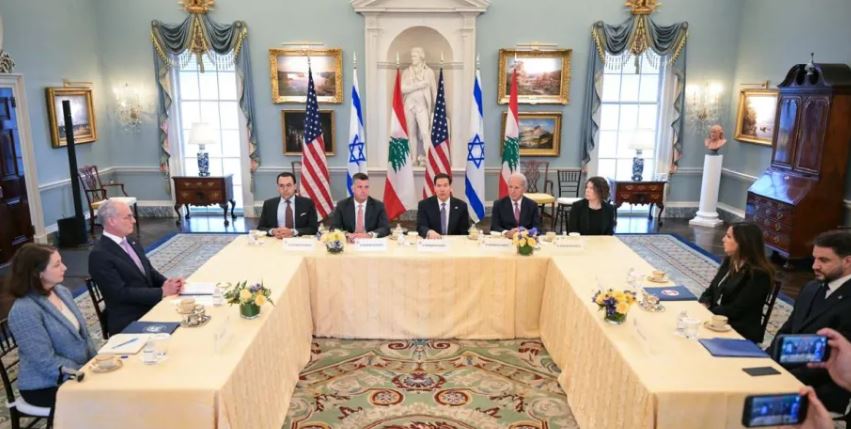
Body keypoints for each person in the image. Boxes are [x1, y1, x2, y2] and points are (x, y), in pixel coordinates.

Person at [767, 229, 851, 414]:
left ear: (847, 261)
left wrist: (783, 378)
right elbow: (788, 329)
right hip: (786, 372)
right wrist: (768, 360)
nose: (815, 266)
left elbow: (831, 361)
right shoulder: (811, 287)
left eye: (824, 260)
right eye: (814, 258)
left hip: (821, 388)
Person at [7, 244, 97, 409]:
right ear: (38, 273)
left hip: (79, 370)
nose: (65, 267)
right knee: (104, 398)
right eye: (56, 265)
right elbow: (45, 361)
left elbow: (84, 336)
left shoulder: (61, 291)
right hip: (46, 384)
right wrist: (83, 372)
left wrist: (96, 363)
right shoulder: (24, 310)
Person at [88, 199, 184, 335]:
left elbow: (149, 272)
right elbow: (119, 294)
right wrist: (162, 292)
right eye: (128, 217)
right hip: (130, 318)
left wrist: (170, 283)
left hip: (149, 305)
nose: (133, 221)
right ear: (112, 221)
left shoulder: (131, 241)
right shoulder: (100, 255)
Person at [698, 223, 773, 343]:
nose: (723, 239)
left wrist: (708, 311)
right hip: (717, 320)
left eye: (728, 237)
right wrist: (703, 302)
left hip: (739, 330)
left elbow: (736, 310)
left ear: (743, 243)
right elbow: (711, 289)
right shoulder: (730, 260)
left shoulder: (759, 275)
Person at [401, 47, 437, 164]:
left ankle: (428, 158)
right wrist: (419, 85)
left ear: (421, 57)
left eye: (415, 56)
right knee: (411, 133)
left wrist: (436, 108)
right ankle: (413, 158)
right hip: (409, 106)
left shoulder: (429, 72)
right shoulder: (407, 72)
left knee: (425, 132)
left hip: (422, 106)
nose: (412, 58)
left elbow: (434, 91)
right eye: (412, 56)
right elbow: (403, 89)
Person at [329, 173, 390, 241]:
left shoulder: (378, 205)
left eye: (366, 187)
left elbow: (385, 228)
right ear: (353, 189)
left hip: (370, 242)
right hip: (349, 242)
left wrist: (370, 235)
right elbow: (334, 227)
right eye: (360, 187)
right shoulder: (342, 205)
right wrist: (346, 235)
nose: (363, 191)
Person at [257, 172, 318, 238]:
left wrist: (293, 232)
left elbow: (313, 228)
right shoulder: (269, 204)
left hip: (298, 241)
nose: (285, 189)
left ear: (295, 186)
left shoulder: (307, 203)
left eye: (288, 185)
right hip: (276, 240)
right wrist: (273, 231)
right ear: (278, 188)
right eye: (281, 186)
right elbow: (260, 228)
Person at [416, 173, 470, 238]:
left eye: (445, 185)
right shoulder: (424, 205)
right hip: (432, 242)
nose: (442, 189)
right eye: (439, 186)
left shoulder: (461, 206)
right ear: (434, 188)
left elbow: (464, 231)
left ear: (450, 188)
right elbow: (420, 226)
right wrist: (428, 232)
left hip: (454, 242)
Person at [490, 172, 540, 238]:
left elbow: (537, 228)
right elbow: (494, 226)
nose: (512, 191)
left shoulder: (532, 205)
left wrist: (527, 232)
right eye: (510, 187)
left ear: (524, 189)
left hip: (525, 240)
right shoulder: (498, 204)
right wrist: (506, 233)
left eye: (516, 188)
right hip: (505, 239)